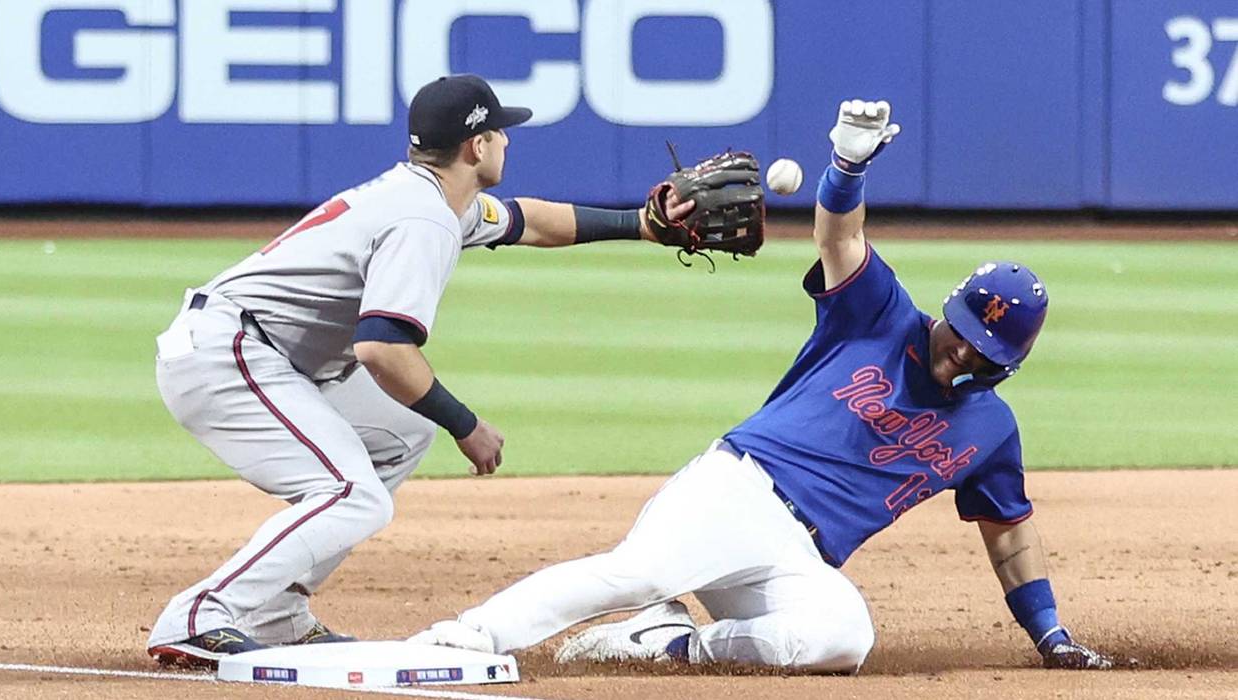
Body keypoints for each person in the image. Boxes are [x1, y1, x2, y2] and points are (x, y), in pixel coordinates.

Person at [408, 99, 1114, 673]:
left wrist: (1049, 635)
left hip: (795, 557)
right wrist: (845, 167)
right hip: (735, 492)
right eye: (959, 330)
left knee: (841, 639)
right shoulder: (879, 314)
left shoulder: (990, 431)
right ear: (949, 308)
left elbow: (1009, 535)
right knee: (636, 574)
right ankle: (467, 636)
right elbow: (840, 237)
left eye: (981, 352)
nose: (960, 352)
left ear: (1008, 363)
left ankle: (668, 643)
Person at [146, 73, 692, 667]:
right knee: (352, 493)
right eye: (500, 132)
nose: (508, 141)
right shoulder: (423, 220)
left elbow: (528, 221)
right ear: (475, 146)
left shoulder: (434, 197)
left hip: (261, 350)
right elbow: (382, 349)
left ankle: (278, 610)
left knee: (403, 433)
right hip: (230, 353)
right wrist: (466, 424)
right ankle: (198, 616)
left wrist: (640, 224)